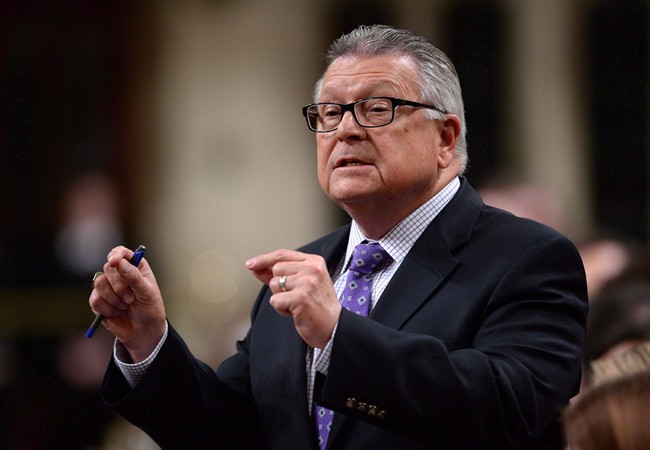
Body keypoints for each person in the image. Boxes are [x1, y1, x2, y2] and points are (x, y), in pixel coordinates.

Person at [89, 25, 588, 449]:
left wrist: (338, 336)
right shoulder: (303, 273)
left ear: (445, 138)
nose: (345, 131)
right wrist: (148, 339)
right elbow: (230, 432)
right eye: (330, 113)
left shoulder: (529, 258)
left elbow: (508, 408)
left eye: (377, 109)